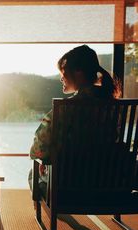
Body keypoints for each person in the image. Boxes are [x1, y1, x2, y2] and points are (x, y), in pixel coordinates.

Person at [28, 45, 121, 197]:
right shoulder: (111, 107)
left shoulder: (63, 109)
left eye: (63, 72)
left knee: (33, 174)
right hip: (105, 182)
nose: (61, 77)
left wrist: (44, 161)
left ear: (78, 72)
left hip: (66, 184)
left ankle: (50, 208)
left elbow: (38, 148)